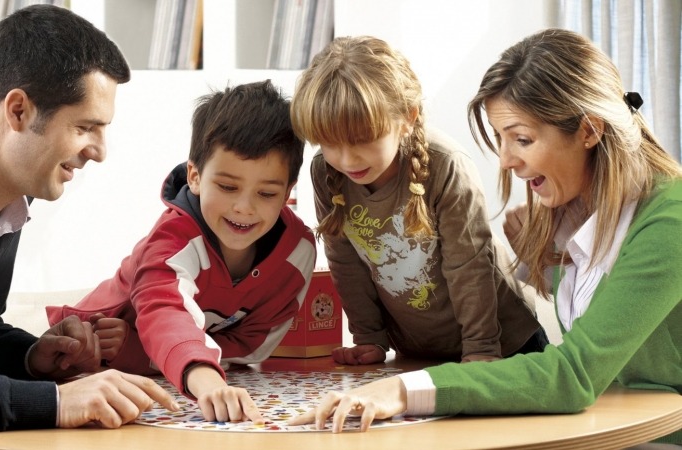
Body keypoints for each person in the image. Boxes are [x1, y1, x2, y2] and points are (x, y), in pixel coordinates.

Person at [289, 28, 682, 446]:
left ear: (589, 131)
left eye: (522, 139)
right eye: (501, 138)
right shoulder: (575, 214)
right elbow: (614, 325)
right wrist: (546, 270)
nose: (507, 160)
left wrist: (404, 390)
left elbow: (574, 374)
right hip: (612, 422)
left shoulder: (669, 221)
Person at [0, 5, 179, 434]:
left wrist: (31, 357)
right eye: (86, 127)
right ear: (18, 111)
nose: (99, 151)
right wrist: (51, 402)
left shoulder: (7, 210)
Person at [46, 80, 317, 424]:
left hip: (168, 367)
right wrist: (206, 380)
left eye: (266, 193)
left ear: (288, 192)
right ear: (194, 176)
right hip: (89, 347)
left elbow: (255, 345)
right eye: (228, 186)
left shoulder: (298, 252)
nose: (244, 207)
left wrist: (143, 353)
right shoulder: (172, 239)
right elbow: (164, 312)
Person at [289, 36, 547, 367]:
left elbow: (469, 266)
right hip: (419, 349)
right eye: (329, 144)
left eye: (363, 140)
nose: (347, 158)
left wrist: (481, 348)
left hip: (504, 344)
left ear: (408, 118)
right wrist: (369, 338)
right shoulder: (327, 172)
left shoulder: (445, 165)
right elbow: (345, 262)